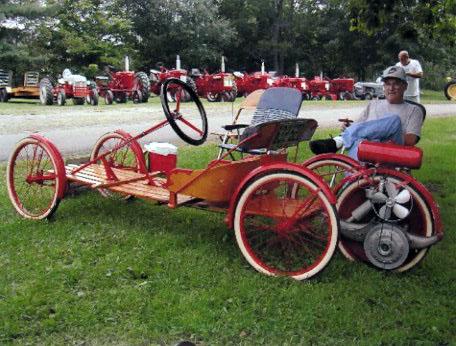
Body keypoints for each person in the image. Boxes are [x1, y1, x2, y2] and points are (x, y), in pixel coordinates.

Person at [309, 65, 424, 160]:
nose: (391, 88)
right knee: (358, 140)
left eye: (396, 83)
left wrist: (378, 133)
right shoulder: (373, 104)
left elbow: (410, 140)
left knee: (394, 121)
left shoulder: (414, 110)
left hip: (391, 151)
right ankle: (353, 183)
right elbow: (359, 127)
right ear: (383, 86)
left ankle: (338, 141)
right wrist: (349, 127)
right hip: (366, 150)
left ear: (405, 86)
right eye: (387, 84)